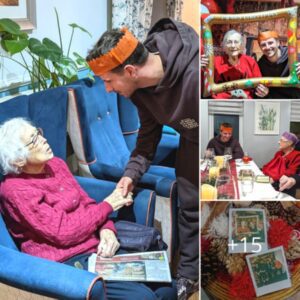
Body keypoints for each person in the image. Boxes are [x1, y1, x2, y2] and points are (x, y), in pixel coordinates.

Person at [0, 118, 176, 300]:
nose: (43, 140)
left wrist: (106, 229)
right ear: (18, 159)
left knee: (167, 286)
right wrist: (109, 205)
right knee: (143, 297)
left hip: (95, 247)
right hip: (66, 262)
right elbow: (63, 232)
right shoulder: (15, 190)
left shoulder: (56, 165)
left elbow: (87, 203)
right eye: (33, 140)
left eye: (38, 133)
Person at [86, 18, 199, 300]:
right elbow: (147, 140)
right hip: (190, 140)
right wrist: (129, 176)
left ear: (130, 70)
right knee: (191, 208)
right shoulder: (139, 92)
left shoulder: (197, 74)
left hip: (215, 141)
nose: (108, 90)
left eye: (109, 81)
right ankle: (188, 276)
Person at [201, 29, 269, 99]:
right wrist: (202, 69)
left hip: (246, 102)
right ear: (224, 45)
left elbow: (259, 85)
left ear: (241, 45)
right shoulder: (215, 62)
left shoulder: (250, 61)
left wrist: (263, 91)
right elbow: (204, 86)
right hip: (220, 104)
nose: (233, 45)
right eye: (229, 42)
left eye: (236, 42)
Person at [257, 30, 300, 98]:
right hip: (276, 103)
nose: (267, 47)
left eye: (270, 43)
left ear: (278, 43)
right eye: (263, 45)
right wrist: (264, 92)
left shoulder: (294, 57)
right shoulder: (260, 65)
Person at [262, 131, 300, 197]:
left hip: (284, 187)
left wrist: (273, 179)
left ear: (289, 143)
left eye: (282, 140)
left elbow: (290, 172)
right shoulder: (279, 153)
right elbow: (270, 165)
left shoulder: (297, 156)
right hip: (270, 181)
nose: (278, 142)